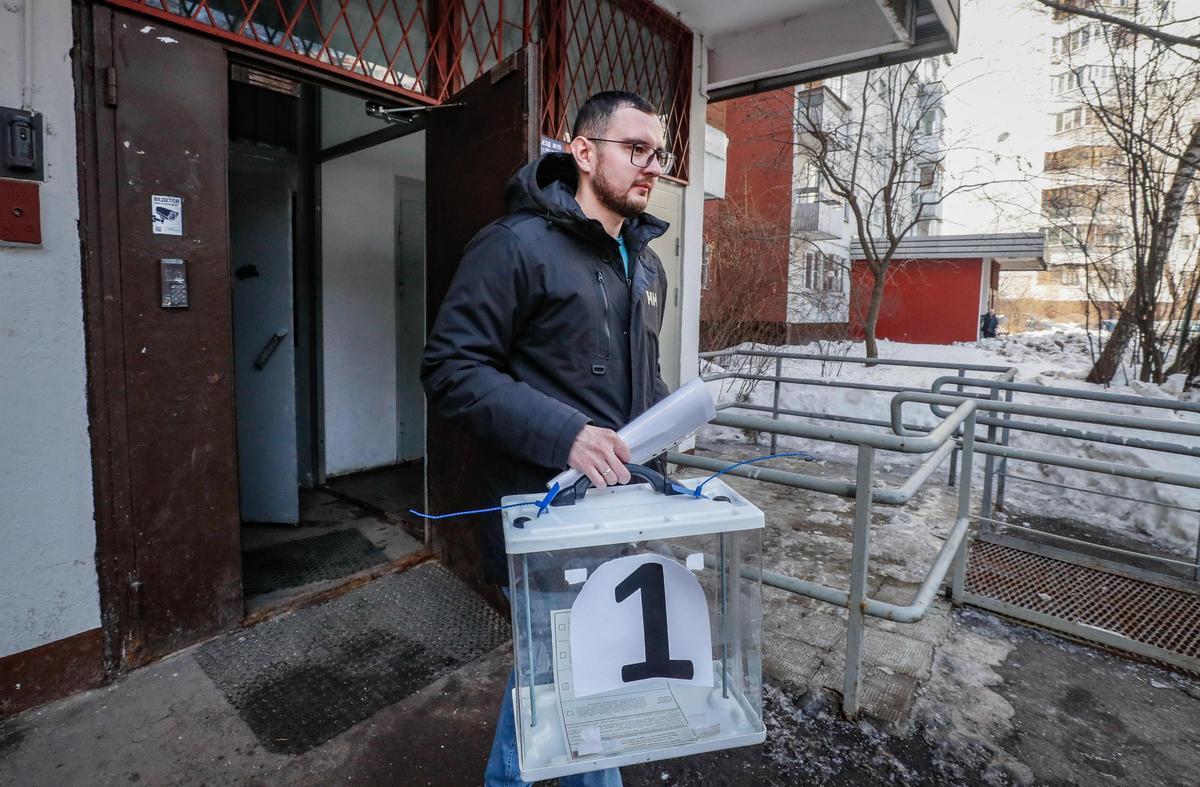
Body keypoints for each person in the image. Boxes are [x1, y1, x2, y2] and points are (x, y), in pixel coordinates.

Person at [420, 91, 674, 787]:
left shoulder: (646, 264)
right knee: (572, 680)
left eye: (659, 153)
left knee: (565, 677)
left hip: (618, 511)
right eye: (636, 148)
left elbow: (638, 389)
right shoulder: (515, 245)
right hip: (543, 509)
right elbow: (449, 370)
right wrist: (566, 433)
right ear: (583, 151)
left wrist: (667, 464)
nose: (651, 165)